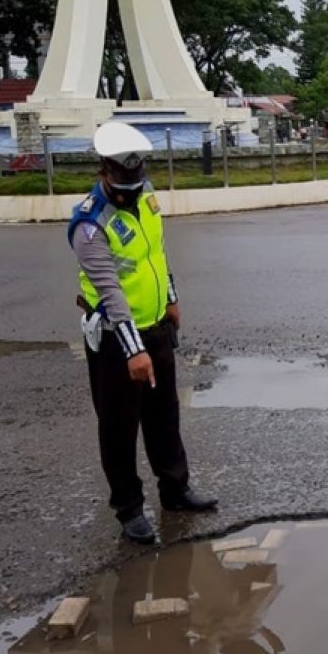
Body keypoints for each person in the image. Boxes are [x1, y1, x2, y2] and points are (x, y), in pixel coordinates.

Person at [67, 122, 216, 544]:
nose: (133, 184)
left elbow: (157, 252)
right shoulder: (89, 223)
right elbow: (110, 293)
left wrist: (170, 297)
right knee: (118, 427)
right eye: (124, 177)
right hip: (116, 340)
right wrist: (135, 352)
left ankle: (175, 490)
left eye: (137, 175)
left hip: (155, 326)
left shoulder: (147, 199)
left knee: (164, 414)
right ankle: (129, 508)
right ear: (105, 171)